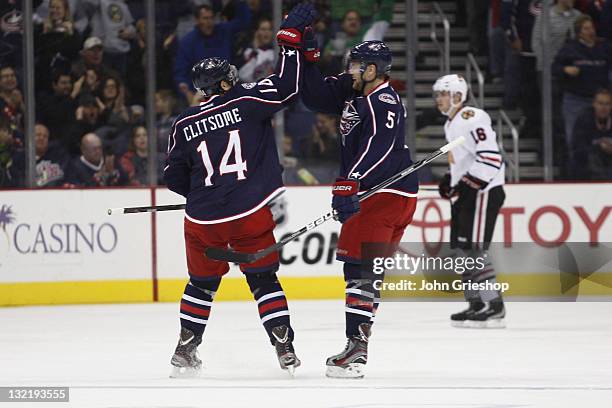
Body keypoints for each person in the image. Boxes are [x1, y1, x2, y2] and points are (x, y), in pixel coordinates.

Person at [163, 2, 316, 378]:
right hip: (248, 214)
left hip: (201, 219)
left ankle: (185, 350)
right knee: (263, 279)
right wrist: (292, 46)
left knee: (201, 284)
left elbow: (174, 179)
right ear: (226, 82)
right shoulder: (247, 101)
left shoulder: (183, 123)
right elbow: (288, 87)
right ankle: (284, 348)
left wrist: (205, 195)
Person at [300, 40, 419, 378]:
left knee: (359, 269)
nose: (350, 69)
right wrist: (307, 62)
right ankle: (358, 344)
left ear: (372, 70)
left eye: (356, 65)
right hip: (386, 194)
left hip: (382, 194)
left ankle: (356, 351)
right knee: (367, 271)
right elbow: (313, 97)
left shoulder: (383, 100)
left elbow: (381, 147)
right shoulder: (359, 94)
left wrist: (350, 180)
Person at [433, 74, 506, 329]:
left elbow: (490, 158)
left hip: (483, 191)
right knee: (462, 247)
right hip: (468, 191)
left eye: (443, 94)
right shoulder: (451, 123)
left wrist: (466, 185)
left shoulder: (471, 118)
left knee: (475, 248)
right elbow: (464, 160)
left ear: (457, 96)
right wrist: (451, 182)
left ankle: (494, 305)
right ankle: (476, 302)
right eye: (438, 94)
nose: (439, 99)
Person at [553, 14, 612, 168]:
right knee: (574, 137)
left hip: (600, 99)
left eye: (591, 27)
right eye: (586, 28)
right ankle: (575, 172)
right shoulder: (570, 48)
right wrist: (566, 69)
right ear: (579, 32)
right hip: (576, 99)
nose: (590, 31)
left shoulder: (604, 47)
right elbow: (555, 67)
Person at [173, 1, 252, 103]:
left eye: (211, 18)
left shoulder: (223, 31)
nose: (209, 22)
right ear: (197, 20)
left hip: (227, 90)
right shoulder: (188, 42)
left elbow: (243, 22)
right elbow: (180, 74)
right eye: (205, 18)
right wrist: (187, 92)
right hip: (202, 95)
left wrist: (240, 2)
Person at [571, 88, 612, 179]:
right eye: (600, 103)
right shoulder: (584, 120)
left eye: (607, 104)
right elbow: (578, 149)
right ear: (594, 104)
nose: (603, 108)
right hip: (588, 168)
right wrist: (599, 147)